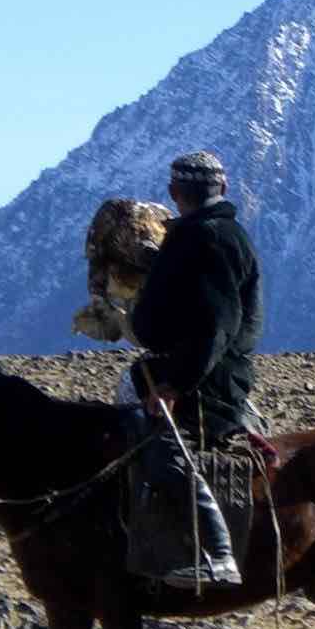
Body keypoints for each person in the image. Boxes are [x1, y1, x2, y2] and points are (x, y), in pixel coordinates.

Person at [125, 150, 264, 587]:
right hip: (198, 368)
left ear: (174, 192)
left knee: (161, 445)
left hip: (208, 379)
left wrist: (175, 384)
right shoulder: (209, 236)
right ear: (222, 189)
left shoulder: (207, 239)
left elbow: (215, 327)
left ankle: (217, 551)